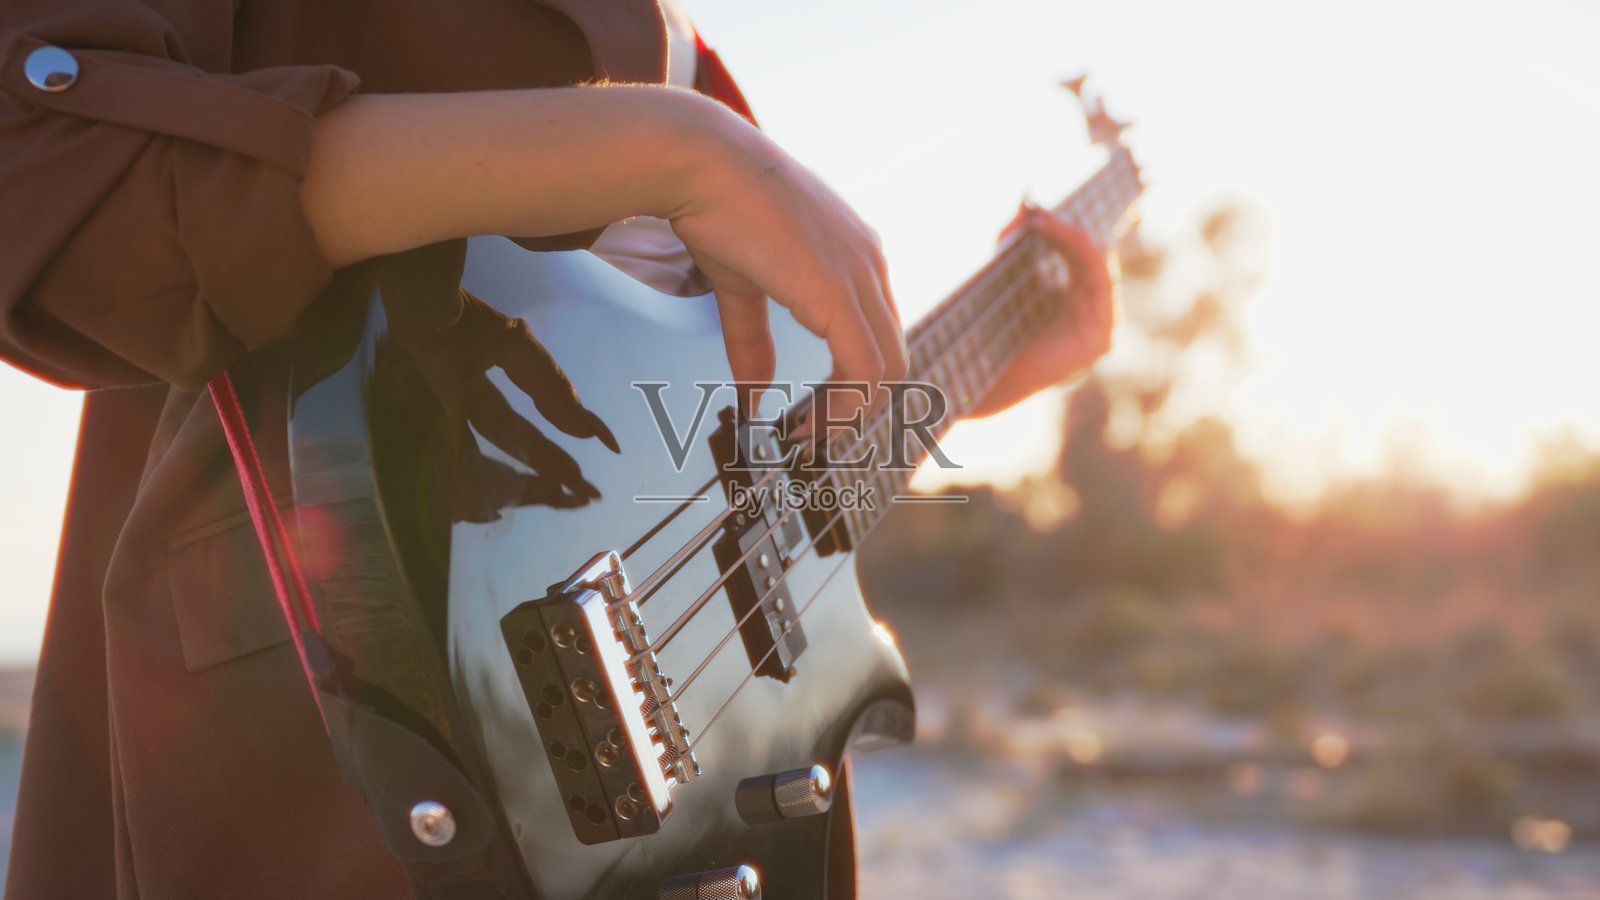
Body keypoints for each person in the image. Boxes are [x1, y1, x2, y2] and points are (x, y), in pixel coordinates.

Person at [0, 0, 1116, 896]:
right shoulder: (686, 116)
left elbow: (721, 518)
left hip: (708, 820)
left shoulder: (678, 46)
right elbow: (42, 167)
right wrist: (677, 147)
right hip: (339, 758)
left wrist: (929, 396)